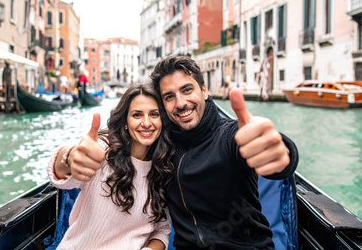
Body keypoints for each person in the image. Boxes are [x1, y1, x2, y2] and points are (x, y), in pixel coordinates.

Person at [148, 56, 299, 249]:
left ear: (203, 91)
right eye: (169, 97)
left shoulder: (230, 136)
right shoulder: (163, 142)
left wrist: (278, 151)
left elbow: (268, 151)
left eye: (187, 90)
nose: (180, 103)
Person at [48, 84, 174, 249]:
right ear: (126, 122)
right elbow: (62, 173)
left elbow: (162, 230)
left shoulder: (163, 168)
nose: (146, 123)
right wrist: (69, 158)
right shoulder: (103, 151)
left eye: (154, 114)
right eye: (137, 115)